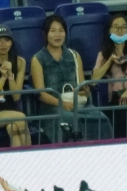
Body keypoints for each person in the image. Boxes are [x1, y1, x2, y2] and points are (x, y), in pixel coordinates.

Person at [31, 15, 112, 143]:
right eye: (53, 31)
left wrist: (85, 91)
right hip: (53, 107)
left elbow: (81, 86)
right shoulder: (38, 59)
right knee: (72, 121)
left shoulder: (74, 55)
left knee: (103, 120)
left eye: (61, 30)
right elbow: (41, 94)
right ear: (45, 34)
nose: (58, 35)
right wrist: (61, 103)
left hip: (78, 104)